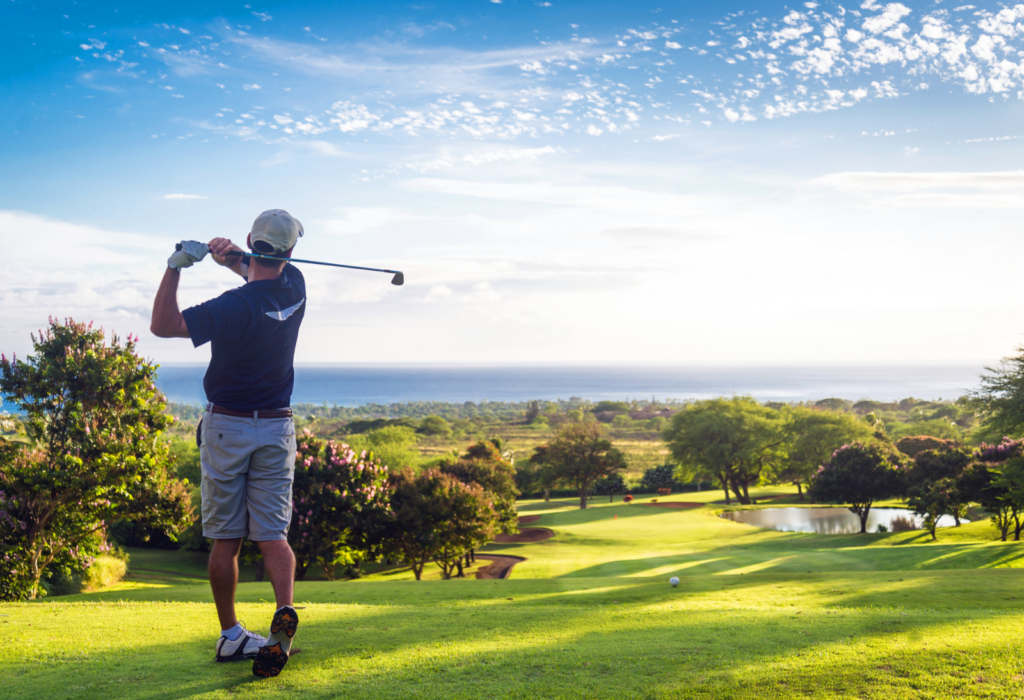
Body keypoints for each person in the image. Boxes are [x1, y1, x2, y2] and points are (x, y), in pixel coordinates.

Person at [150, 209, 306, 678]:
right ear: (291, 251)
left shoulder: (231, 307)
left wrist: (176, 265)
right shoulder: (296, 285)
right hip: (277, 427)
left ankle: (232, 636)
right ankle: (283, 617)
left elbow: (164, 325)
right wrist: (230, 259)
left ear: (250, 240)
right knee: (273, 536)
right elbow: (257, 269)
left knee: (227, 538)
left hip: (228, 427)